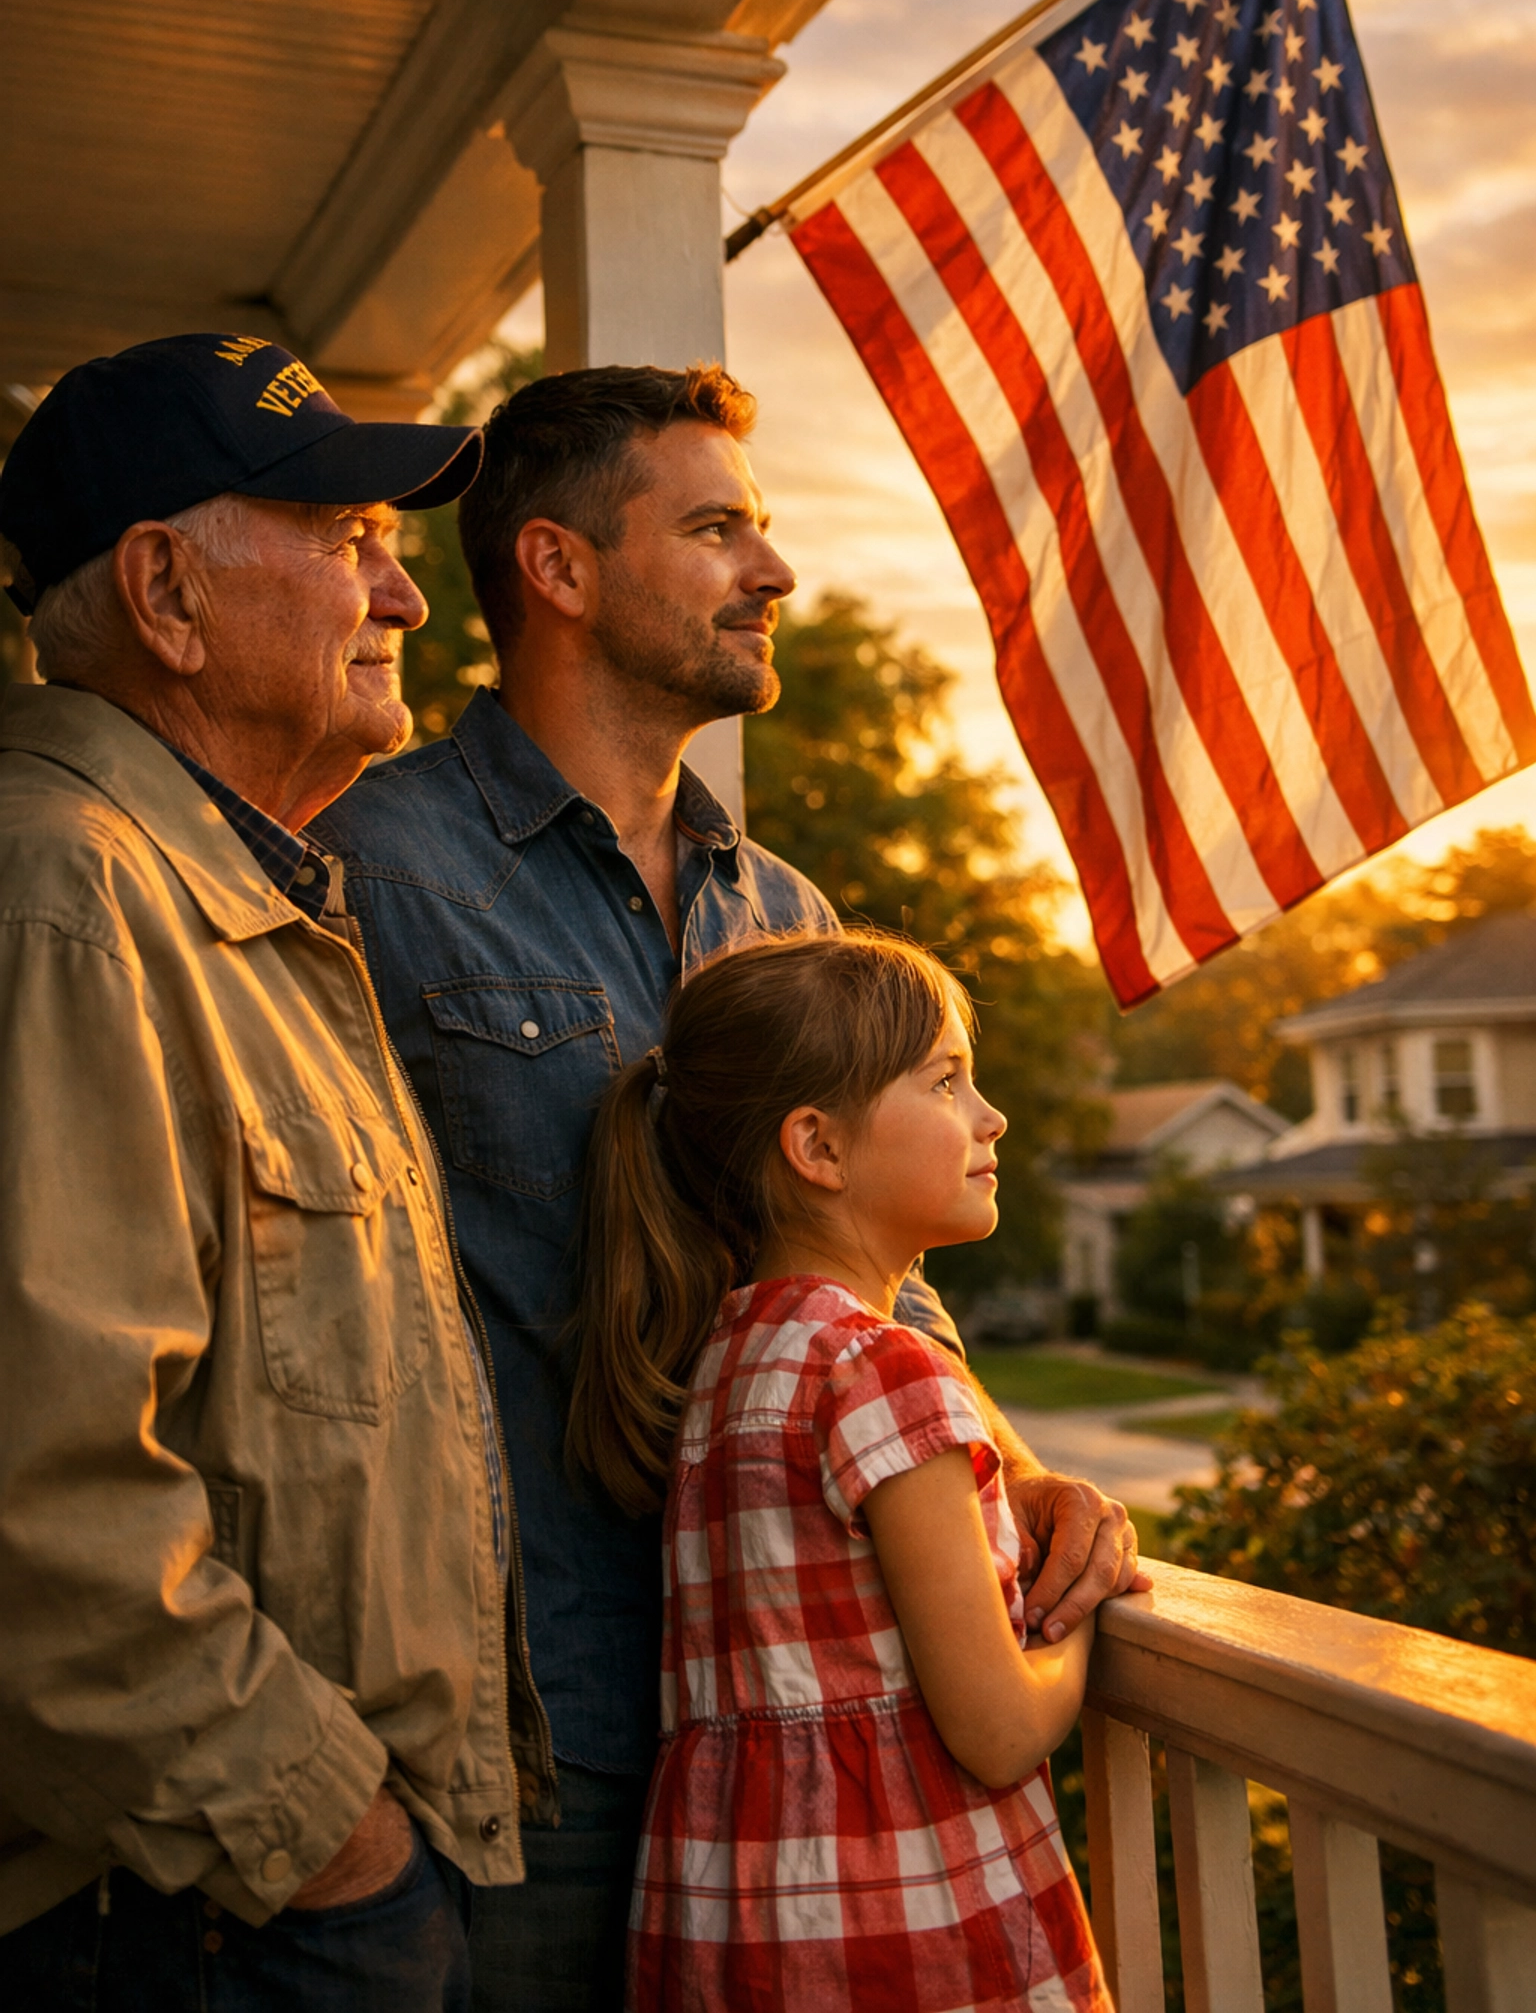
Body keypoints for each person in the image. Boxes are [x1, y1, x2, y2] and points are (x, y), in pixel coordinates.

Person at [314, 362, 1144, 2011]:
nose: (774, 572)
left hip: (821, 1729)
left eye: (759, 529)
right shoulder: (362, 871)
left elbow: (875, 1280)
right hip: (521, 1748)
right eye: (715, 530)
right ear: (555, 567)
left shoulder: (783, 910)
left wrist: (1025, 1472)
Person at [0, 334, 522, 2010]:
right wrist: (335, 1840)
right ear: (165, 589)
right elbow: (47, 1500)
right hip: (195, 1905)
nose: (409, 601)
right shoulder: (65, 895)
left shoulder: (219, 897)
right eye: (350, 539)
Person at [570, 927, 1115, 2011]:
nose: (990, 1116)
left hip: (735, 1911)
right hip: (897, 1928)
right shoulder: (882, 1368)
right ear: (817, 1149)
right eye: (948, 1083)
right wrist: (1081, 1614)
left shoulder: (730, 1354)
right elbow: (1000, 1728)